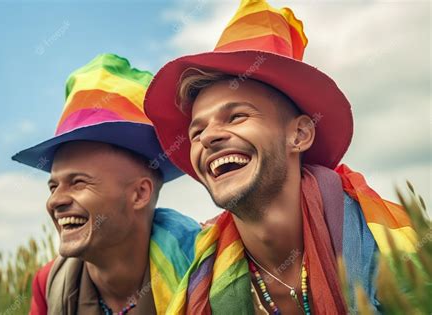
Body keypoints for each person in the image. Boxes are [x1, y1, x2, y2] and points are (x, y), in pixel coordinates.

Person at [144, 1, 417, 314]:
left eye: (236, 117)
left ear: (299, 135)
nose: (207, 137)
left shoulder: (397, 250)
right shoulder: (200, 286)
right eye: (196, 132)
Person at [12, 53, 200, 314]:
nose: (55, 201)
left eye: (78, 182)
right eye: (53, 186)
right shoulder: (48, 286)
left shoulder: (208, 269)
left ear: (139, 193)